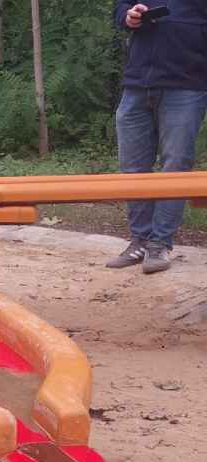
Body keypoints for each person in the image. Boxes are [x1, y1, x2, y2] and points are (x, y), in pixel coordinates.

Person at [107, 2, 207, 274]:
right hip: (137, 84)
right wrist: (129, 16)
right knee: (132, 168)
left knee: (175, 166)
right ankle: (139, 240)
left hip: (187, 86)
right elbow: (120, 8)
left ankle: (159, 244)